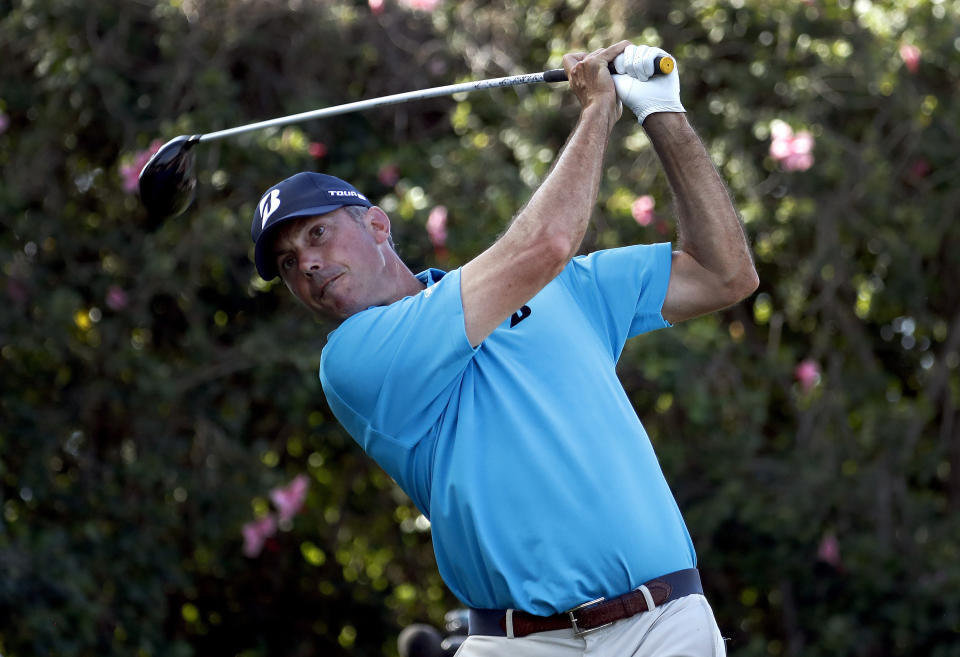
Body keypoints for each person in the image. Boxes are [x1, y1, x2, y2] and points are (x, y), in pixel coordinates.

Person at [249, 41, 758, 657]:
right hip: (518, 644)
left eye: (318, 233)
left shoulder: (563, 289)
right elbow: (545, 244)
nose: (307, 263)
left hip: (662, 623)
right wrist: (599, 107)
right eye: (288, 262)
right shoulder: (354, 360)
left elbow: (724, 275)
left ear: (378, 226)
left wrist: (660, 110)